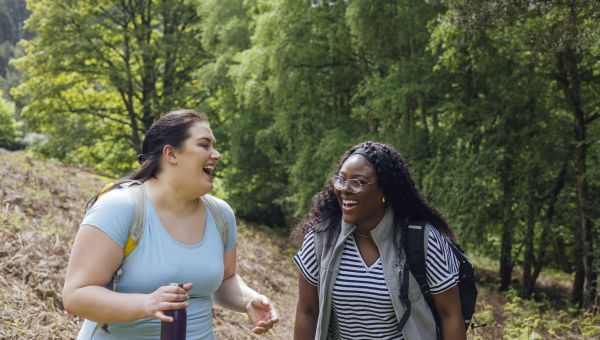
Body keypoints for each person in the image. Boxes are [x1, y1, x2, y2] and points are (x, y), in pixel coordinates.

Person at [62, 109, 279, 339]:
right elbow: (76, 295)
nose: (216, 155)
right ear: (171, 153)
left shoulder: (220, 214)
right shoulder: (121, 207)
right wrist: (146, 304)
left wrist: (248, 300)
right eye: (204, 145)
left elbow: (225, 280)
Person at [291, 141, 465, 340]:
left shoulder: (422, 239)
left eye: (358, 182)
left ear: (384, 190)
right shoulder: (321, 237)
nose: (345, 189)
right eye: (341, 179)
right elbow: (307, 311)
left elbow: (450, 314)